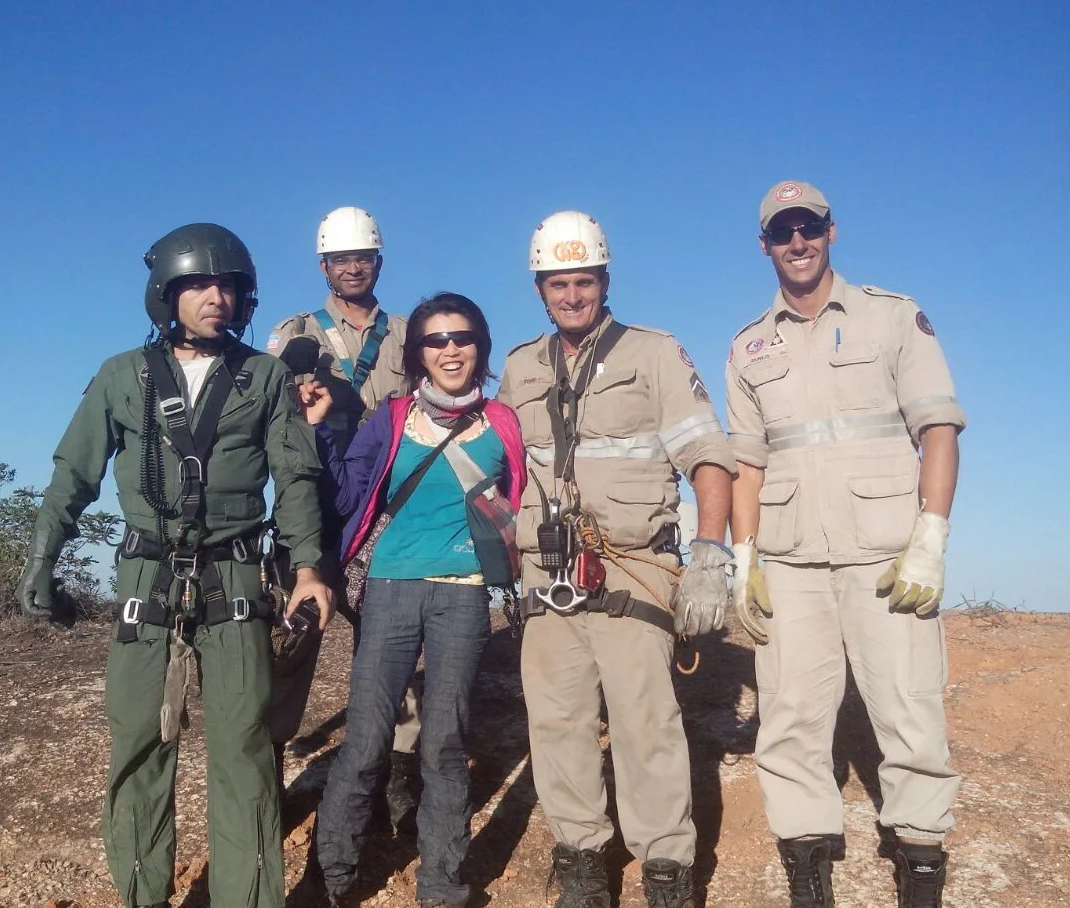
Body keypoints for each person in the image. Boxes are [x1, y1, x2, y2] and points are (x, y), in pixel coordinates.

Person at [16, 223, 333, 908]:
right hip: (144, 576)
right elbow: (74, 471)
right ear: (167, 294)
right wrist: (44, 555)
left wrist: (308, 567)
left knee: (245, 748)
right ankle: (141, 894)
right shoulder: (120, 376)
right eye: (197, 285)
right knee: (137, 743)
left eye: (227, 286)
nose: (214, 297)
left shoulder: (267, 376)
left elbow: (297, 476)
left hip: (235, 574)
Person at [726, 181, 963, 908]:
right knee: (791, 717)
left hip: (885, 552)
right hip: (791, 559)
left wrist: (931, 533)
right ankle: (809, 868)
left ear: (832, 232)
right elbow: (747, 460)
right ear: (763, 244)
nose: (797, 241)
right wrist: (744, 556)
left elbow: (939, 430)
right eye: (782, 231)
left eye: (809, 227)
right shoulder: (747, 345)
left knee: (908, 707)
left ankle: (920, 861)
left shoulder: (891, 317)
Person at [497, 212, 737, 908]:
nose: (572, 296)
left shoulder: (654, 354)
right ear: (539, 288)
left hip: (634, 569)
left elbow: (705, 457)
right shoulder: (519, 367)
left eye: (584, 281)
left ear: (605, 281)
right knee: (558, 726)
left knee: (646, 727)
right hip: (548, 581)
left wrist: (711, 556)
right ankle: (580, 864)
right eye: (557, 283)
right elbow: (501, 471)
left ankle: (665, 872)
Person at [301, 292, 526, 908]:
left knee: (445, 744)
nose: (450, 349)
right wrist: (320, 431)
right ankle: (332, 880)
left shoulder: (502, 422)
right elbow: (347, 494)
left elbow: (520, 508)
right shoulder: (394, 417)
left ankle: (443, 889)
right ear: (418, 353)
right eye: (435, 340)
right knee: (367, 738)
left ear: (480, 347)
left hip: (464, 596)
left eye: (462, 338)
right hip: (391, 590)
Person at [265, 205, 423, 823]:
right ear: (324, 266)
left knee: (394, 643)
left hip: (384, 507)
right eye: (341, 259)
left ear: (378, 261)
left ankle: (399, 772)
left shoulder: (411, 332)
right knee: (291, 640)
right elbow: (273, 417)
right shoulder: (295, 332)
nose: (353, 267)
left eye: (364, 257)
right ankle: (268, 770)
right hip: (314, 503)